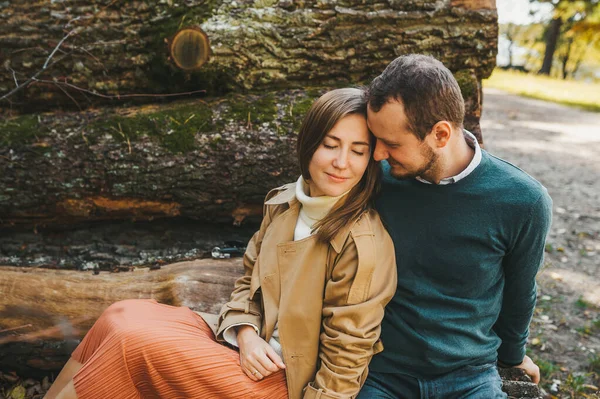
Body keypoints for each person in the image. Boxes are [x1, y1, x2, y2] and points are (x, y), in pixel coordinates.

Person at [44, 88, 398, 399]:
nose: (341, 163)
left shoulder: (360, 242)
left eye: (357, 151)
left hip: (286, 380)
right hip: (247, 344)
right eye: (330, 145)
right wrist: (244, 332)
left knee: (132, 346)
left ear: (370, 160)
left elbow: (348, 354)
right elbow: (248, 280)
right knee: (119, 315)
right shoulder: (285, 204)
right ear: (309, 144)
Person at [356, 54, 553, 399]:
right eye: (376, 141)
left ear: (440, 133)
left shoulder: (524, 201)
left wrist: (513, 356)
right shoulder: (375, 181)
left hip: (470, 376)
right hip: (383, 372)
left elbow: (521, 292)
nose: (377, 155)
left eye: (392, 144)